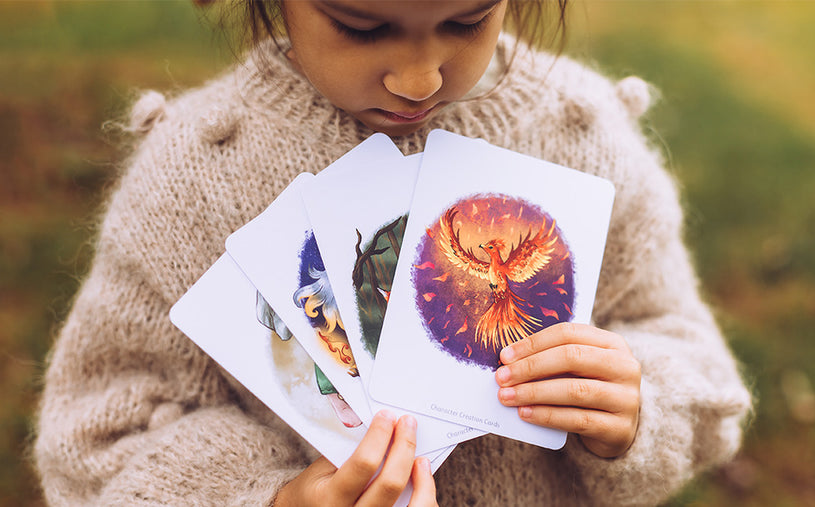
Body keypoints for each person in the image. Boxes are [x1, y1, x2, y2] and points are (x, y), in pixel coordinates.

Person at [33, 1, 752, 505]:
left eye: (466, 20)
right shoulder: (196, 174)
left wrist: (636, 403)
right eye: (362, 25)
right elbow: (102, 434)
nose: (419, 78)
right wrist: (270, 499)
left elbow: (694, 363)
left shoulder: (581, 135)